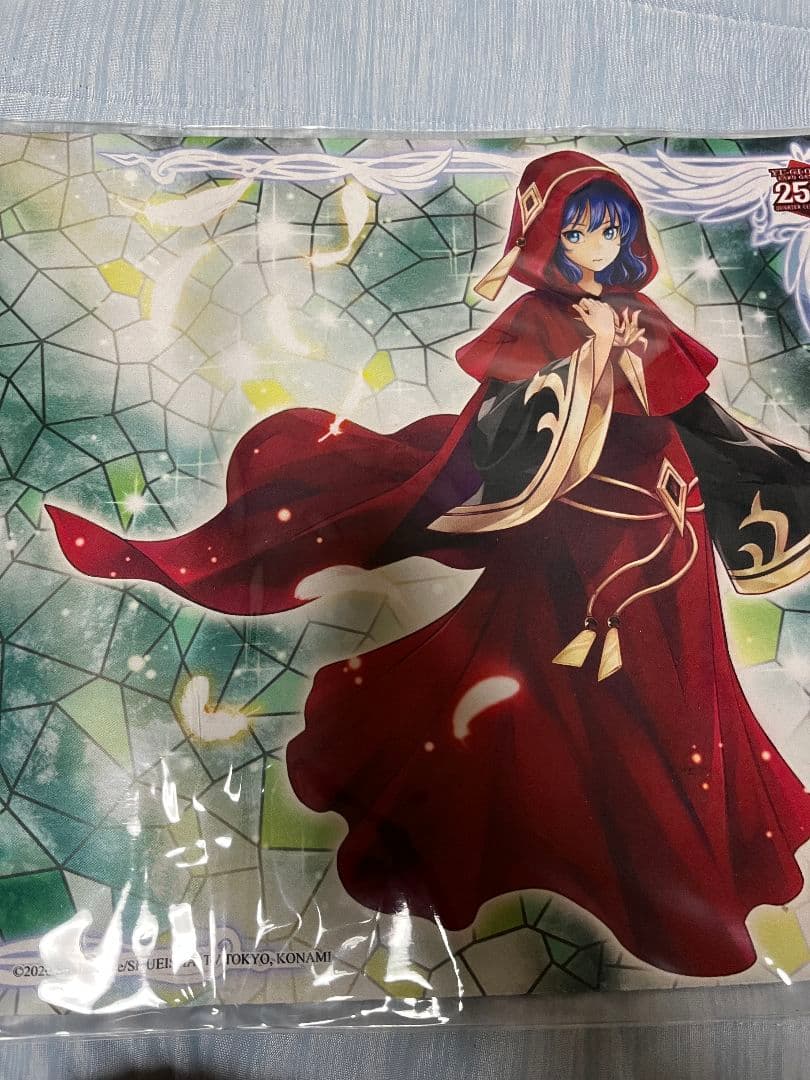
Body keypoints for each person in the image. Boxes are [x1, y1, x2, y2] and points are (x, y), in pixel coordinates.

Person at [47, 151, 810, 976]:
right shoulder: (535, 322)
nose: (596, 245)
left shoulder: (640, 314)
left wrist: (742, 460)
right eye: (578, 230)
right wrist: (590, 358)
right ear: (545, 235)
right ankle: (664, 882)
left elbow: (700, 419)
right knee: (595, 715)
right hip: (575, 555)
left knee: (688, 701)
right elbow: (510, 439)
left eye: (609, 230)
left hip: (670, 545)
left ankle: (709, 859)